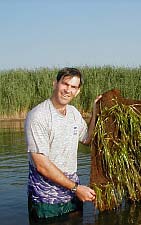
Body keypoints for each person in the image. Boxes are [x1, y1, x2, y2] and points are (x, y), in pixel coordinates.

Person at [25, 67, 102, 221]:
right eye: (65, 84)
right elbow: (41, 165)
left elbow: (87, 139)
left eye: (73, 87)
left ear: (78, 91)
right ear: (55, 84)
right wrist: (76, 188)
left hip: (72, 194)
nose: (68, 90)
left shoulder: (73, 113)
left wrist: (95, 112)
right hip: (46, 200)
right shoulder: (38, 116)